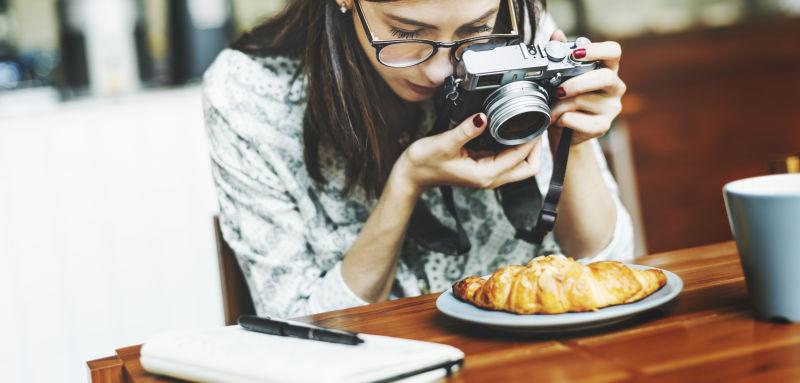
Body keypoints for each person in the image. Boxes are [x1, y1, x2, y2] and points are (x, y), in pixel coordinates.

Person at [203, 0, 632, 319]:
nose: (440, 71)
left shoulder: (520, 30)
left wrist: (570, 138)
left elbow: (610, 268)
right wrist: (406, 182)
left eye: (475, 29)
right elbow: (298, 330)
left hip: (536, 356)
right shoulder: (249, 94)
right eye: (406, 33)